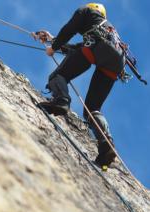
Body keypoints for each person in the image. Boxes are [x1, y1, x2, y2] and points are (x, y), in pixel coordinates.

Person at [33, 3, 126, 166]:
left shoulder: (86, 11)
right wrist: (52, 39)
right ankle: (106, 145)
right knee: (92, 108)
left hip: (97, 48)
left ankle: (61, 101)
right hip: (117, 61)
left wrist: (53, 47)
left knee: (58, 76)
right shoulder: (107, 30)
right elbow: (79, 49)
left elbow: (70, 28)